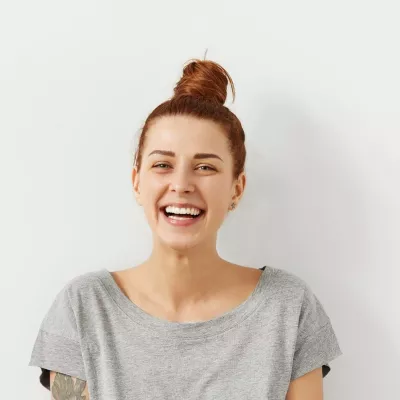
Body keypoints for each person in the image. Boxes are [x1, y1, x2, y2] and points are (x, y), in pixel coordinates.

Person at [28, 58, 342, 399]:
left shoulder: (288, 307)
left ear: (237, 188)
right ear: (137, 182)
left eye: (205, 167)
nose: (181, 184)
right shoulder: (83, 308)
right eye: (162, 164)